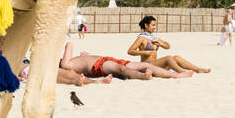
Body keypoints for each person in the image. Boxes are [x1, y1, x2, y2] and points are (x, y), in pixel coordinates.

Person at [59, 41, 192, 80]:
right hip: (99, 65)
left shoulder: (70, 62)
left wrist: (86, 55)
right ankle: (143, 76)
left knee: (144, 64)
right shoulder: (66, 64)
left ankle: (176, 75)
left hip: (106, 60)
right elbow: (69, 44)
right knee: (122, 69)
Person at [128, 15, 210, 73]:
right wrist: (145, 52)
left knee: (176, 57)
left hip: (156, 64)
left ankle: (197, 69)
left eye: (155, 25)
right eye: (153, 25)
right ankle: (181, 72)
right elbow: (130, 51)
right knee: (168, 58)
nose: (154, 27)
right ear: (146, 25)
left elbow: (168, 46)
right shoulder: (141, 38)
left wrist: (161, 43)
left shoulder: (154, 38)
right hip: (147, 65)